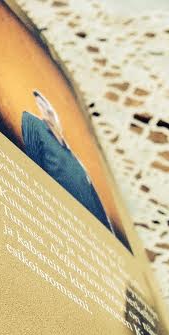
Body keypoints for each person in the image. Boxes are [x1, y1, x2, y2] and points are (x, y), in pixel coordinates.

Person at [21, 90, 114, 233]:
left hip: (94, 228)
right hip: (67, 222)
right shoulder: (32, 123)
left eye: (47, 106)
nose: (48, 110)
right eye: (41, 105)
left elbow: (94, 197)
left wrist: (109, 232)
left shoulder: (69, 154)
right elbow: (33, 168)